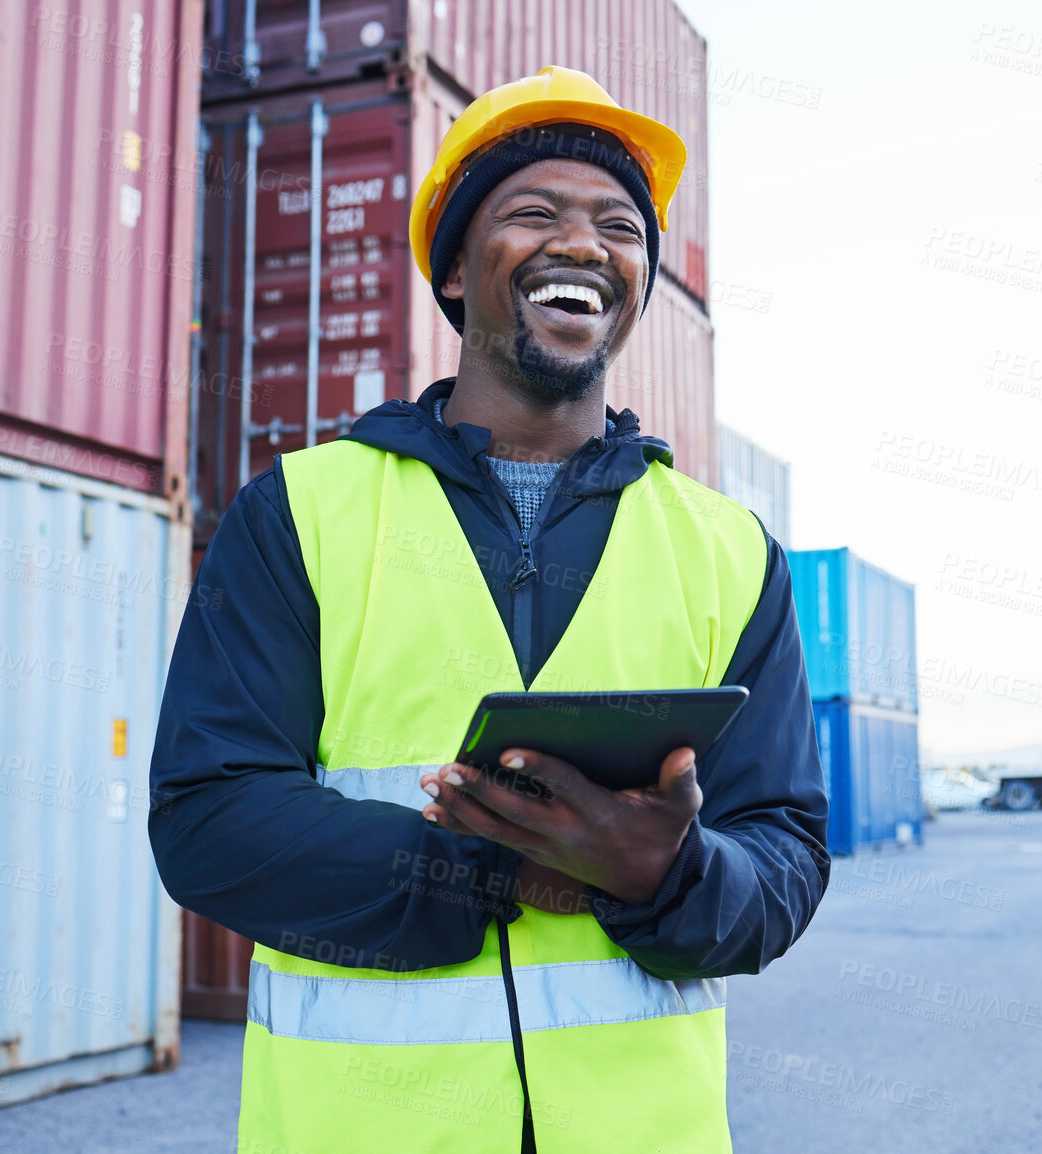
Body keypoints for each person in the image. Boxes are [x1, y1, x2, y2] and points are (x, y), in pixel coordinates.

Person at [149, 65, 828, 1154]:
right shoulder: (302, 515)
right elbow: (209, 822)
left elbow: (784, 854)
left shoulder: (731, 551)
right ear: (456, 270)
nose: (583, 242)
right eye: (533, 212)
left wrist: (669, 872)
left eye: (619, 223)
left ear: (640, 283)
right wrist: (497, 869)